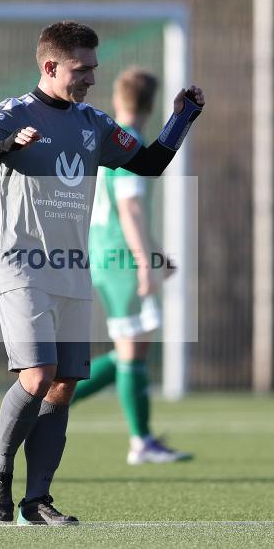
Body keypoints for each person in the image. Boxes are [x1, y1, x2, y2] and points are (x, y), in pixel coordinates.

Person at [0, 21, 204, 525]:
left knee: (63, 385)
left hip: (73, 267)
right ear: (50, 66)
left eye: (94, 68)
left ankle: (37, 500)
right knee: (37, 374)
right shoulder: (12, 113)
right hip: (21, 263)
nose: (91, 77)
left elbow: (149, 164)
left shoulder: (93, 122)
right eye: (81, 69)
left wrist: (181, 119)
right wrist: (5, 147)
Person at [73, 67, 192, 465]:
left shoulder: (108, 139)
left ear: (118, 98)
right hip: (120, 257)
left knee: (131, 349)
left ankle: (52, 403)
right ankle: (140, 441)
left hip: (108, 253)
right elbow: (130, 206)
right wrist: (145, 262)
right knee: (133, 348)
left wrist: (154, 254)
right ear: (151, 103)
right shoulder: (130, 143)